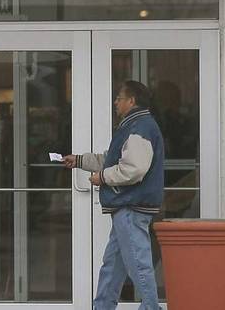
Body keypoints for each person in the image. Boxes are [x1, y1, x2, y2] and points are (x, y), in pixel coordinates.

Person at [64, 81, 165, 310]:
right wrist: (79, 160)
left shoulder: (139, 128)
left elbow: (134, 169)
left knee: (138, 265)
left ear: (132, 101)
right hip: (128, 206)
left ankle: (151, 308)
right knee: (112, 266)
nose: (115, 102)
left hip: (130, 206)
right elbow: (113, 159)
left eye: (119, 98)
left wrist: (103, 178)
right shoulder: (136, 126)